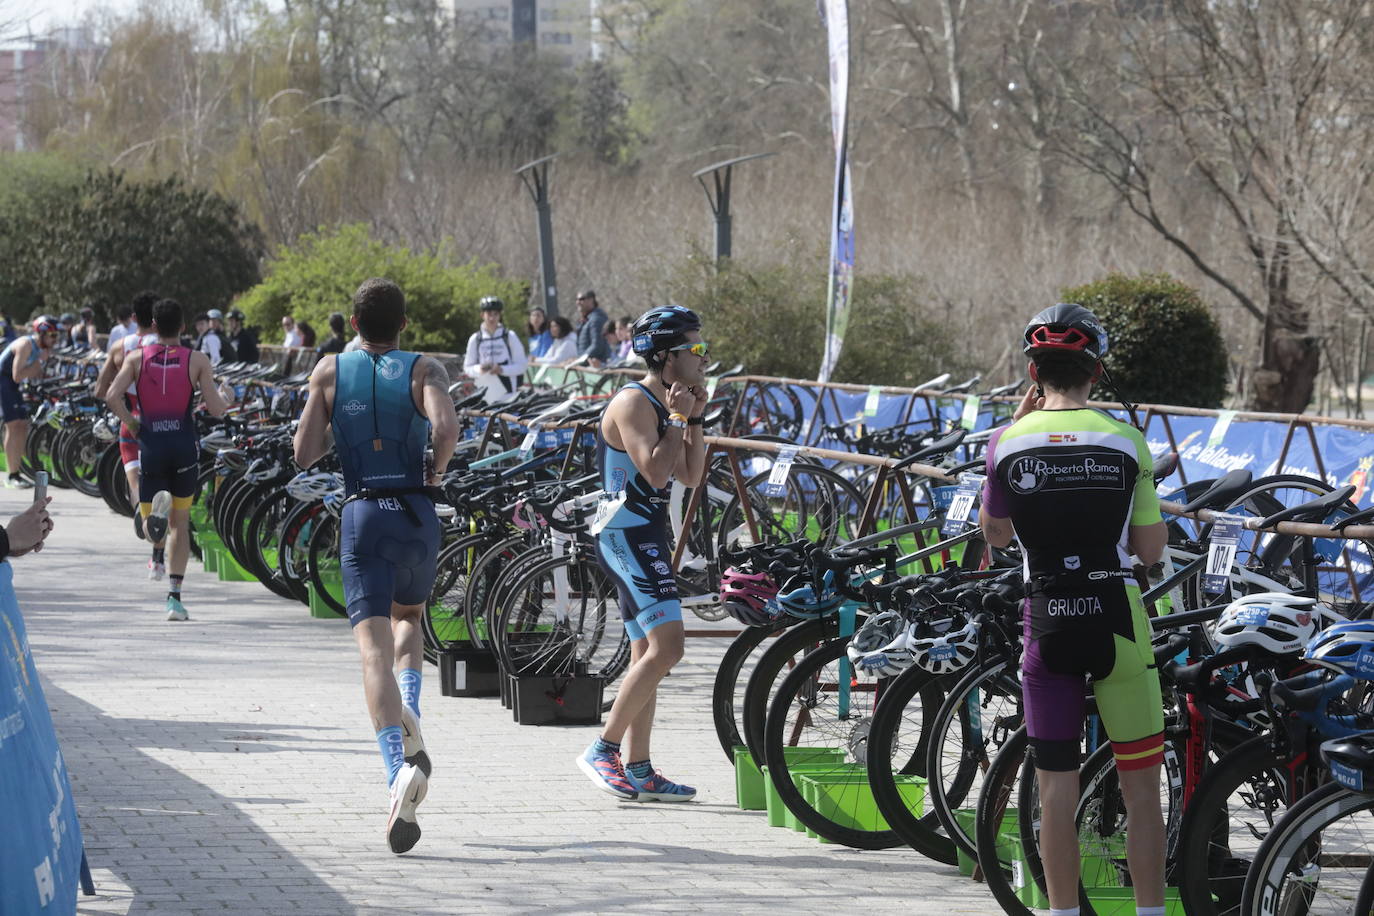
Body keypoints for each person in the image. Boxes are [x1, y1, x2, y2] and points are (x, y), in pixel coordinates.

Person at [979, 303, 1168, 916]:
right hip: (1117, 618)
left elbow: (997, 535)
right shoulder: (1126, 440)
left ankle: (1060, 912)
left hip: (1047, 623)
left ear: (1033, 373)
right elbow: (1148, 549)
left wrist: (1014, 433)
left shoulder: (1006, 442)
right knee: (1141, 791)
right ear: (1097, 369)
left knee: (1055, 788)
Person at [293, 277, 459, 855]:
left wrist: (327, 400)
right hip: (416, 512)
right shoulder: (424, 368)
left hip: (362, 513)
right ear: (403, 325)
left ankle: (396, 772)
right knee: (409, 617)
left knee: (372, 652)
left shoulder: (330, 370)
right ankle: (410, 708)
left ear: (355, 323)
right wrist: (434, 471)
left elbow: (304, 451)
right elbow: (446, 428)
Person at [576, 305, 708, 802]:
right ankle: (603, 750)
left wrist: (695, 419)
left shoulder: (672, 401)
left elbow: (690, 476)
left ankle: (639, 768)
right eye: (695, 348)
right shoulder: (634, 403)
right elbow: (654, 473)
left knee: (645, 653)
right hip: (624, 535)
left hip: (647, 532)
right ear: (666, 355)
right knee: (668, 648)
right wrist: (676, 415)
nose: (704, 357)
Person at [106, 299, 229, 620]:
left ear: (154, 326)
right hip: (183, 447)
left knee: (151, 526)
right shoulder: (197, 359)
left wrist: (132, 424)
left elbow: (110, 395)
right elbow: (216, 409)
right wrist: (227, 397)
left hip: (151, 447)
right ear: (184, 327)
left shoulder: (135, 358)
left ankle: (151, 524)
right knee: (181, 524)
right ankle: (174, 598)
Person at [95, 291, 159, 538]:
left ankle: (141, 510)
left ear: (134, 318)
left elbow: (101, 390)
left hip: (131, 416)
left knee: (133, 473)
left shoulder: (120, 346)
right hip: (162, 419)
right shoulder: (170, 346)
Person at [0, 315, 59, 488]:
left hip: (11, 385)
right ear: (41, 334)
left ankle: (16, 471)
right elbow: (17, 375)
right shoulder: (26, 344)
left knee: (23, 424)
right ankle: (12, 475)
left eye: (57, 335)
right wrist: (35, 367)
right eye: (53, 335)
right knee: (14, 425)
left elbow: (35, 374)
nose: (55, 340)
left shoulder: (41, 349)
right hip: (4, 382)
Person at [463, 297, 527, 404]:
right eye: (489, 314)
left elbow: (522, 365)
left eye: (495, 314)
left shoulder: (510, 336)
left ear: (500, 315)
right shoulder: (475, 339)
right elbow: (467, 367)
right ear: (482, 315)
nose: (492, 318)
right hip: (483, 396)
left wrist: (502, 369)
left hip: (508, 396)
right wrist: (479, 369)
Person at [574, 290, 611, 366]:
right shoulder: (585, 319)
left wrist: (580, 360)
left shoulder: (596, 319)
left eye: (581, 299)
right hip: (587, 365)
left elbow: (597, 346)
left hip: (596, 368)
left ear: (591, 300)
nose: (578, 302)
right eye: (577, 300)